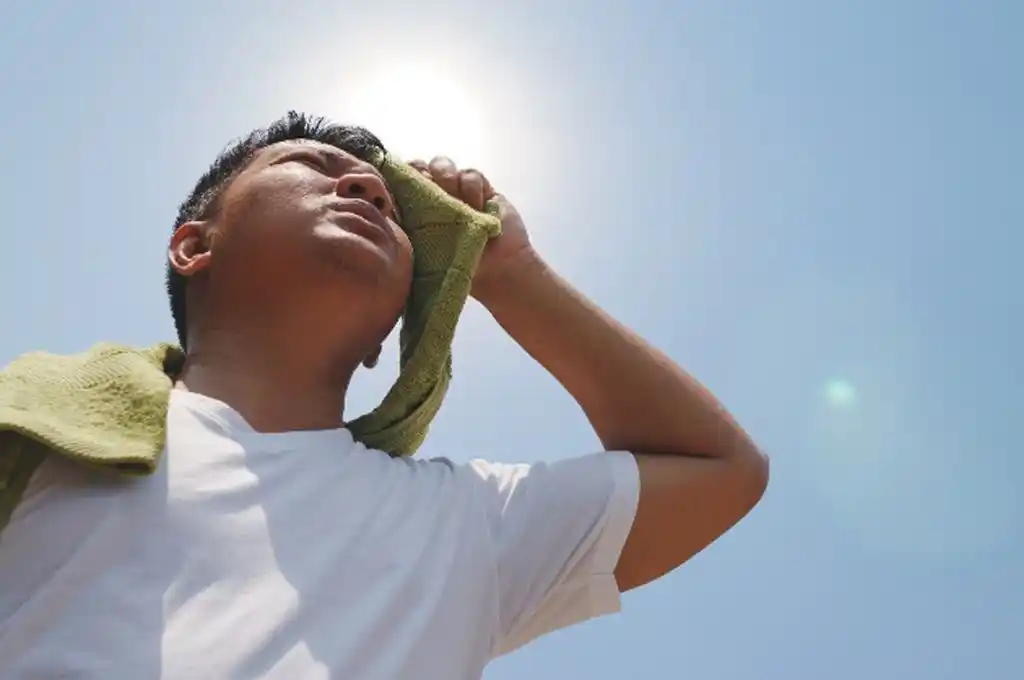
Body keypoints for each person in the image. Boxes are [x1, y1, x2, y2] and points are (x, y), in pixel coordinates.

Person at [0, 112, 768, 679]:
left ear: (383, 344)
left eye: (398, 216)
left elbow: (720, 467)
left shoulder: (463, 525)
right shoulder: (40, 425)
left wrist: (513, 274)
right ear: (195, 245)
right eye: (308, 163)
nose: (365, 185)